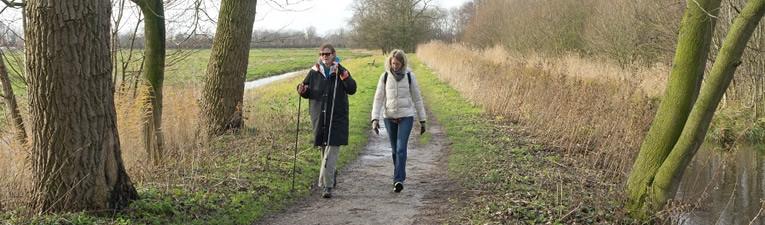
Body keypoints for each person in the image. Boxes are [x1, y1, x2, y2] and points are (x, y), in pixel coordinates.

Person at [297, 44, 357, 198]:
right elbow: (308, 90)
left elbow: (352, 89)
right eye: (322, 54)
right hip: (320, 118)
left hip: (336, 118)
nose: (324, 56)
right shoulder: (314, 71)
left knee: (330, 153)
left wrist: (345, 77)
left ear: (334, 54)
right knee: (324, 153)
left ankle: (326, 186)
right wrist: (302, 90)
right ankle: (331, 173)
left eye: (327, 54)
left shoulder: (341, 71)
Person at [370, 49, 426, 193]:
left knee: (401, 148)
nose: (395, 66)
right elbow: (378, 98)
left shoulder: (410, 77)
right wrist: (374, 118)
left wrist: (423, 119)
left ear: (403, 63)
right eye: (393, 63)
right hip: (389, 117)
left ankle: (398, 180)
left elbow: (417, 98)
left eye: (397, 64)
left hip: (406, 116)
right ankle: (400, 173)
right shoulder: (384, 77)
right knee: (395, 150)